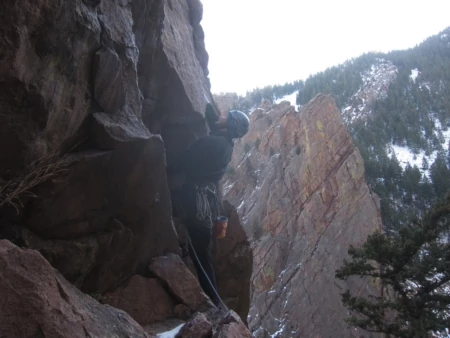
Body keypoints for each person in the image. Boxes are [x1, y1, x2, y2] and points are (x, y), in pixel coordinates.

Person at [168, 107, 250, 306]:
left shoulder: (213, 143)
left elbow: (185, 161)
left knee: (200, 255)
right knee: (203, 254)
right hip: (206, 207)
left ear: (229, 125)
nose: (222, 117)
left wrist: (162, 165)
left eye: (226, 118)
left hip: (194, 202)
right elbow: (215, 130)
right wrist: (213, 118)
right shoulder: (226, 146)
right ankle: (215, 300)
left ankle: (213, 301)